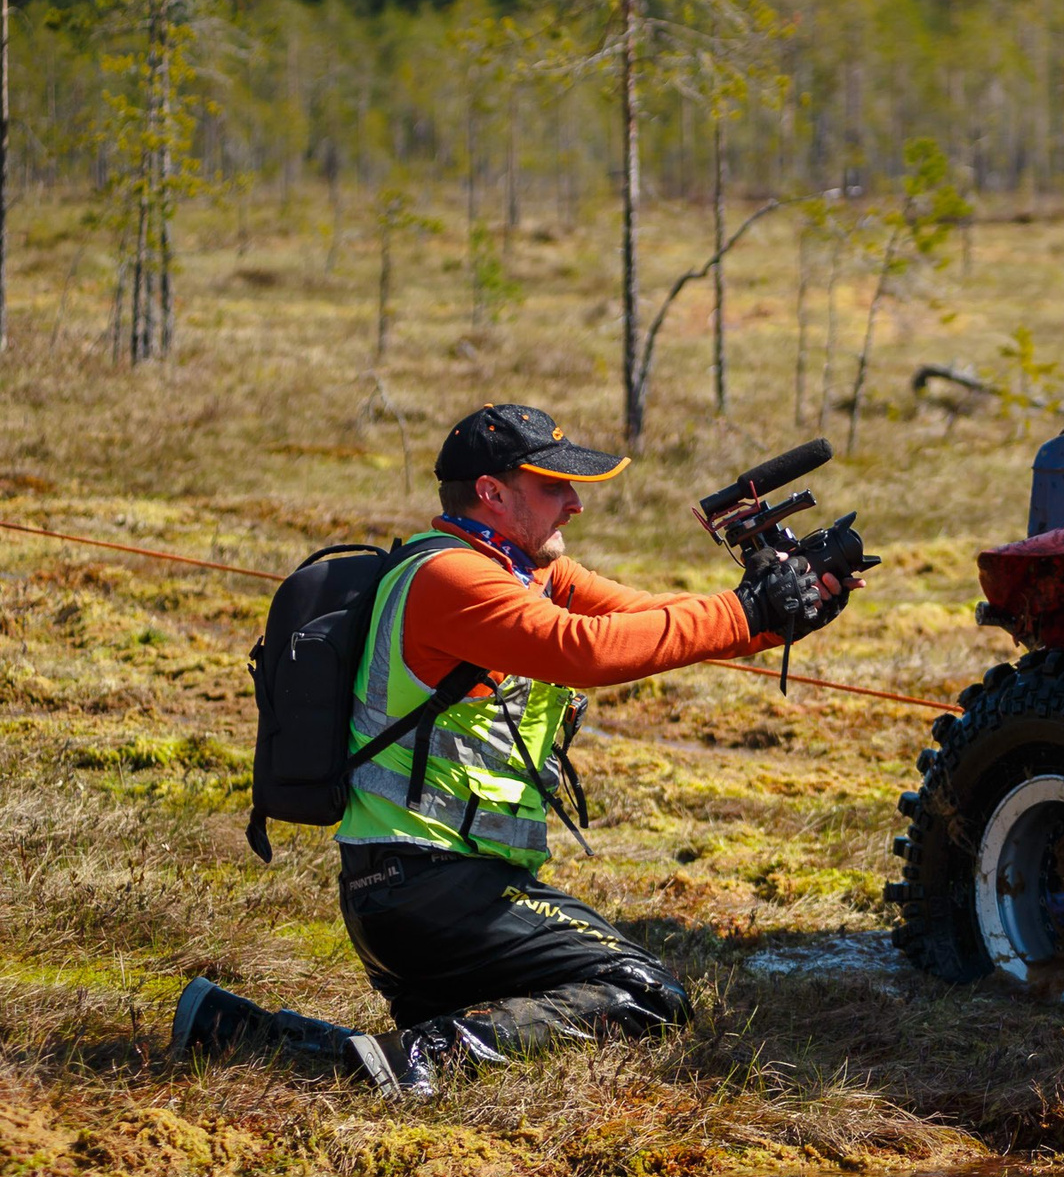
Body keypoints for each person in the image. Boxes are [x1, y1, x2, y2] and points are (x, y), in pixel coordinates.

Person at [170, 404, 857, 1097]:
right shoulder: (451, 578)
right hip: (425, 886)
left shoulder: (531, 572)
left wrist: (794, 609)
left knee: (572, 1005)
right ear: (492, 493)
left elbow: (653, 620)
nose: (576, 504)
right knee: (647, 993)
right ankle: (394, 1064)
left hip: (436, 889)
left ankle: (242, 1031)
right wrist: (749, 610)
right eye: (554, 486)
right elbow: (584, 650)